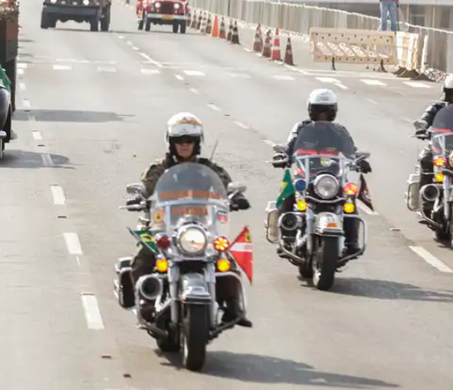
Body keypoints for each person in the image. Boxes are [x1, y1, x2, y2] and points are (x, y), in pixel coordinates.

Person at [129, 112, 252, 327]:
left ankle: (233, 306)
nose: (184, 145)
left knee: (224, 259)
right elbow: (147, 188)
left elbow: (225, 186)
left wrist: (235, 197)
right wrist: (141, 198)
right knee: (144, 257)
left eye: (190, 141)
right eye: (179, 141)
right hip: (164, 225)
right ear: (171, 143)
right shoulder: (158, 169)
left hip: (202, 226)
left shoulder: (208, 169)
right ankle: (146, 301)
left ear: (197, 143)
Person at [271, 89, 369, 254]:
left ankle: (352, 242)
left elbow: (350, 150)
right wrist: (284, 155)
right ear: (311, 110)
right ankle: (286, 237)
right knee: (287, 191)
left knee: (349, 201)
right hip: (305, 176)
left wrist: (359, 160)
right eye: (319, 109)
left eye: (327, 110)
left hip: (332, 178)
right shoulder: (302, 128)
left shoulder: (339, 131)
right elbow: (290, 145)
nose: (323, 114)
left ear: (333, 111)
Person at [413, 76, 453, 218]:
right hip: (440, 146)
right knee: (425, 158)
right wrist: (422, 126)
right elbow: (426, 117)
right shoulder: (438, 106)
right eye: (451, 92)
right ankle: (427, 198)